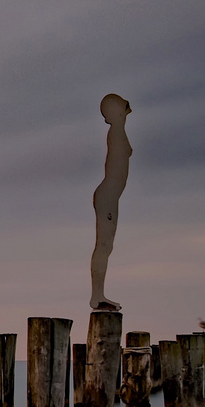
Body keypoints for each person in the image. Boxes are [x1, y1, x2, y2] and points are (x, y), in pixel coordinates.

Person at [89, 93, 133, 312]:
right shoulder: (115, 132)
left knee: (108, 246)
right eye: (125, 107)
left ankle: (99, 294)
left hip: (111, 196)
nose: (129, 111)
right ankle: (97, 295)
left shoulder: (118, 131)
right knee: (104, 246)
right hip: (107, 196)